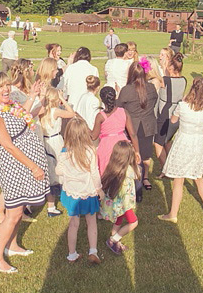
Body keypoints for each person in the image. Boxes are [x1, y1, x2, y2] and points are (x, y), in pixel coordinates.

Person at [0, 72, 49, 274]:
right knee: (11, 214)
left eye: (7, 85)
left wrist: (32, 95)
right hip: (13, 167)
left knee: (19, 211)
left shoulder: (10, 106)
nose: (5, 89)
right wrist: (33, 166)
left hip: (23, 165)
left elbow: (23, 117)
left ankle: (12, 246)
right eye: (0, 86)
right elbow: (9, 146)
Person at [157, 77, 203, 223]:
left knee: (178, 180)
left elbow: (173, 121)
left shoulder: (183, 105)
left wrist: (183, 102)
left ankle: (173, 214)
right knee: (198, 177)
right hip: (199, 142)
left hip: (184, 141)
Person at [57, 117, 102, 264]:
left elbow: (58, 171)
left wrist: (64, 170)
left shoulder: (64, 152)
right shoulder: (90, 151)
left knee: (73, 224)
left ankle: (71, 254)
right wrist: (99, 189)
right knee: (91, 222)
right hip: (88, 192)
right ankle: (93, 251)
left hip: (72, 193)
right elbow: (94, 173)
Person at [117, 62, 158, 194]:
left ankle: (134, 180)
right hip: (148, 124)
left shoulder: (126, 90)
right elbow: (154, 100)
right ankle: (145, 178)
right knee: (146, 154)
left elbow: (119, 106)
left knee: (133, 154)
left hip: (132, 126)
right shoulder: (151, 87)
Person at [39, 87, 76, 215]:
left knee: (49, 172)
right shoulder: (55, 111)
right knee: (60, 169)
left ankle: (50, 205)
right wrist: (63, 100)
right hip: (55, 142)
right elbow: (72, 113)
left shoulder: (41, 110)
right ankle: (63, 199)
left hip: (44, 141)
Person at [100, 141, 140, 255]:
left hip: (117, 204)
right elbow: (138, 175)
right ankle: (113, 240)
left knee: (118, 220)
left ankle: (114, 241)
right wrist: (136, 162)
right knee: (134, 222)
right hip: (125, 204)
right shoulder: (129, 170)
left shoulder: (112, 168)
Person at [92, 86, 141, 175]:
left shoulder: (100, 116)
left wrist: (84, 126)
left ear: (102, 100)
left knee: (105, 171)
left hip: (106, 145)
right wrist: (137, 151)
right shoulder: (123, 111)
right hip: (122, 143)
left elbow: (94, 136)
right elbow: (133, 134)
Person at [154, 52, 186, 173]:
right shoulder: (184, 80)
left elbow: (157, 78)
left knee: (158, 144)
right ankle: (174, 165)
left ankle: (166, 170)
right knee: (167, 141)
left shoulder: (165, 80)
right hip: (176, 114)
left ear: (171, 68)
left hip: (165, 113)